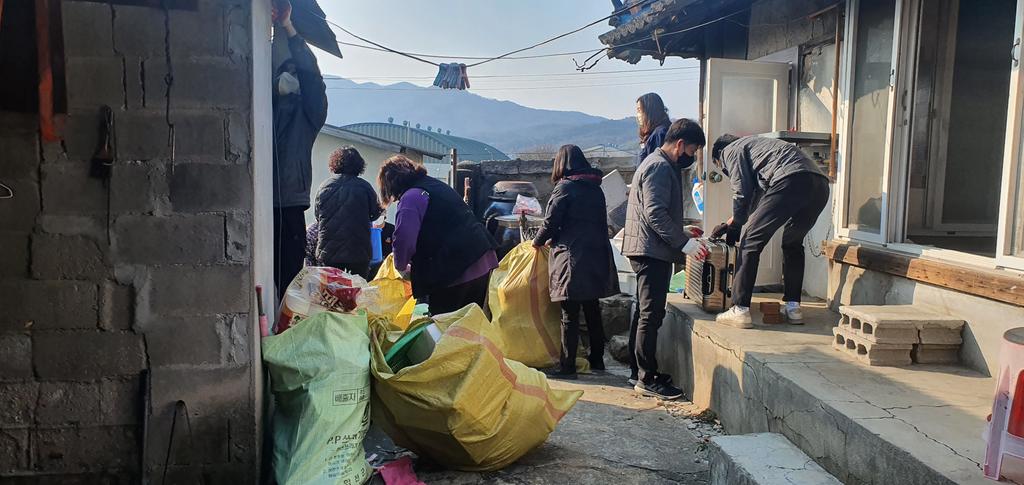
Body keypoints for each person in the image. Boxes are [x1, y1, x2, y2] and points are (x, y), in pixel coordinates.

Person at [622, 118, 709, 400]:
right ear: (680, 145)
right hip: (651, 251)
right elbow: (655, 213)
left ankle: (638, 371)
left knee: (644, 312)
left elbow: (655, 212)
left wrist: (682, 231)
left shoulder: (655, 163)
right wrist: (685, 244)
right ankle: (646, 378)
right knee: (651, 314)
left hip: (648, 247)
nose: (690, 157)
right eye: (692, 151)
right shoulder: (659, 166)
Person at [709, 135, 830, 327]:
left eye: (721, 168)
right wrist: (733, 221)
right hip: (819, 186)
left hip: (790, 180)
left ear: (718, 156)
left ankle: (739, 309)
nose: (725, 171)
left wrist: (739, 223)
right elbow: (757, 197)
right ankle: (793, 308)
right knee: (792, 244)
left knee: (750, 243)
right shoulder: (759, 149)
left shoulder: (730, 151)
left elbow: (741, 192)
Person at [533, 145, 620, 380]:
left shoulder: (565, 187)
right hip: (597, 255)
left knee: (569, 313)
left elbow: (550, 222)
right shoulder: (595, 188)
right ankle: (597, 359)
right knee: (592, 309)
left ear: (561, 164)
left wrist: (537, 242)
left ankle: (567, 366)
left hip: (572, 256)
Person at [377, 155, 498, 315]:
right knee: (470, 322)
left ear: (390, 185)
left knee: (447, 324)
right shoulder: (434, 185)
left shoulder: (411, 197)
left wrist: (401, 267)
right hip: (482, 259)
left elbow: (404, 239)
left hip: (457, 270)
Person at [271, 0, 328, 298]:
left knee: (287, 285)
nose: (289, 75)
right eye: (284, 70)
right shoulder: (267, 106)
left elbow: (313, 79)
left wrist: (289, 29)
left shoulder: (309, 115)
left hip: (290, 203)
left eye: (295, 72)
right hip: (259, 202)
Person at [313, 147, 383, 280]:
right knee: (357, 288)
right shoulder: (365, 187)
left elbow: (318, 216)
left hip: (329, 251)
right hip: (358, 251)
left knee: (331, 290)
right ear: (359, 165)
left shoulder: (324, 186)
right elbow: (375, 214)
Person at [635, 93, 672, 166]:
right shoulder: (654, 133)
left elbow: (657, 166)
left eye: (639, 110)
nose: (637, 115)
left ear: (649, 111)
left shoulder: (660, 133)